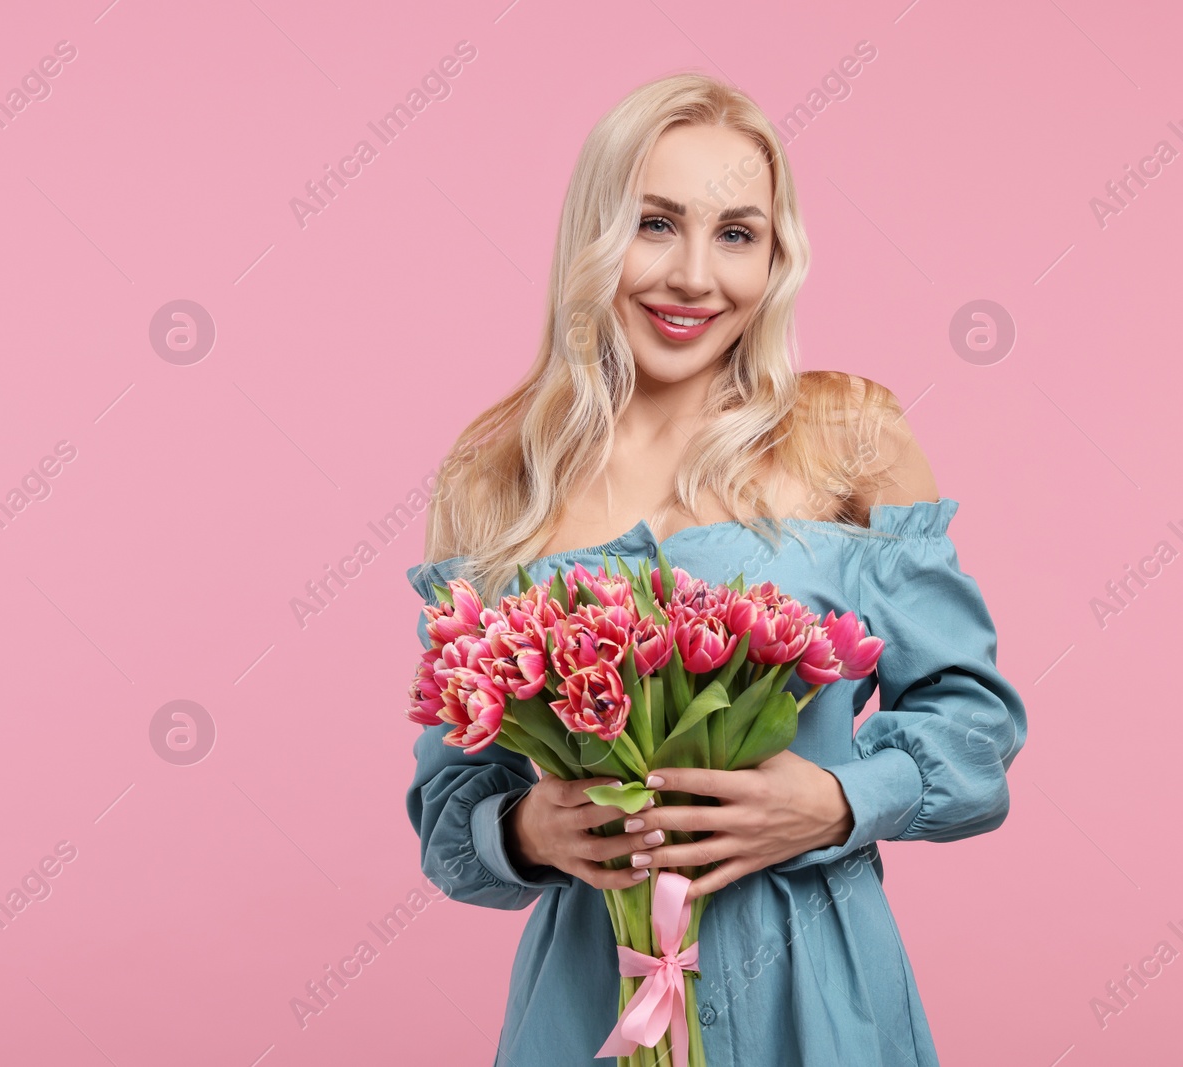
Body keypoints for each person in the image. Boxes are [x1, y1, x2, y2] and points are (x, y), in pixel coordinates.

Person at [403, 71, 1027, 1066]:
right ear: (595, 233)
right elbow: (448, 820)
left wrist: (831, 800)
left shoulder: (848, 435)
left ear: (775, 258)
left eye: (737, 234)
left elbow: (976, 732)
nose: (695, 276)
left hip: (820, 995)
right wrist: (526, 825)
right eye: (656, 224)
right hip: (587, 1004)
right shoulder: (494, 479)